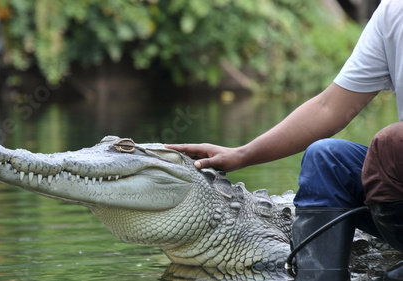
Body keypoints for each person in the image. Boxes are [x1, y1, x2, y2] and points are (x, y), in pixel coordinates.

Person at [166, 0, 403, 280]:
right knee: (326, 158)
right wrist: (243, 154)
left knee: (390, 143)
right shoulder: (393, 12)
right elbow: (328, 108)